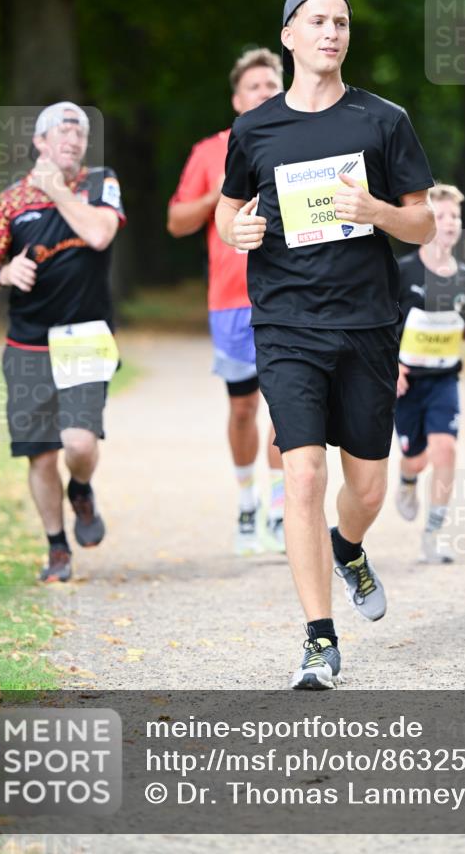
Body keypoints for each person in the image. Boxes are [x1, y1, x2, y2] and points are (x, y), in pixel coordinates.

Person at [216, 0, 435, 689]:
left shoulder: (382, 121)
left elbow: (422, 222)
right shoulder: (255, 130)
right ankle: (318, 639)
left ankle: (349, 547)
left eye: (340, 22)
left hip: (368, 321)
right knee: (303, 471)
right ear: (289, 36)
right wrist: (238, 227)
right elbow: (227, 215)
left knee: (365, 489)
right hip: (285, 322)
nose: (331, 33)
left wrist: (376, 210)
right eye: (317, 21)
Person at [0, 102, 125, 583]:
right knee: (40, 452)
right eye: (63, 131)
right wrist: (3, 271)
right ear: (39, 143)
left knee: (78, 443)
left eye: (80, 132)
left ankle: (81, 487)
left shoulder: (101, 183)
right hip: (28, 342)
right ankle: (57, 548)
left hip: (85, 337)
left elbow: (99, 234)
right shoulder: (11, 202)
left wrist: (56, 189)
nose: (74, 139)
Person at [167, 49, 285, 554]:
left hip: (288, 294)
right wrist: (219, 195)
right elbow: (176, 221)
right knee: (242, 409)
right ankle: (246, 502)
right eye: (254, 86)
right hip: (232, 299)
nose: (264, 92)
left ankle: (282, 511)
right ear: (237, 100)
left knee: (288, 409)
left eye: (271, 84)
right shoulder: (211, 150)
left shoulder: (300, 141)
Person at [394, 184, 465, 561]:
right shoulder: (403, 271)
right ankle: (407, 479)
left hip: (444, 378)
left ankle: (434, 533)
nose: (450, 223)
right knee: (417, 458)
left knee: (445, 449)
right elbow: (386, 324)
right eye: (441, 216)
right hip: (407, 382)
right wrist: (393, 365)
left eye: (455, 216)